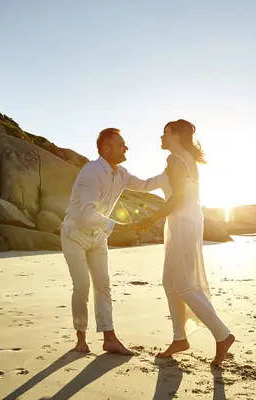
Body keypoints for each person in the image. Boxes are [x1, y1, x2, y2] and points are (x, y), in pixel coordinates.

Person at [135, 119, 235, 366]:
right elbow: (152, 184)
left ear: (177, 136)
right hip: (184, 220)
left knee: (184, 285)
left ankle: (222, 335)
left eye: (165, 133)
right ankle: (180, 339)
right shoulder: (182, 159)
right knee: (170, 282)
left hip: (182, 221)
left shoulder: (175, 160)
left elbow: (178, 198)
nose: (161, 137)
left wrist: (150, 220)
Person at [61, 127, 167, 355]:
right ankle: (81, 339)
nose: (126, 148)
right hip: (75, 234)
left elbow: (146, 184)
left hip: (98, 237)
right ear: (106, 148)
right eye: (121, 145)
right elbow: (87, 214)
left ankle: (109, 338)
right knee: (82, 286)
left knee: (103, 286)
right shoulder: (91, 172)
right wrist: (119, 227)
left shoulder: (121, 174)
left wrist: (170, 173)